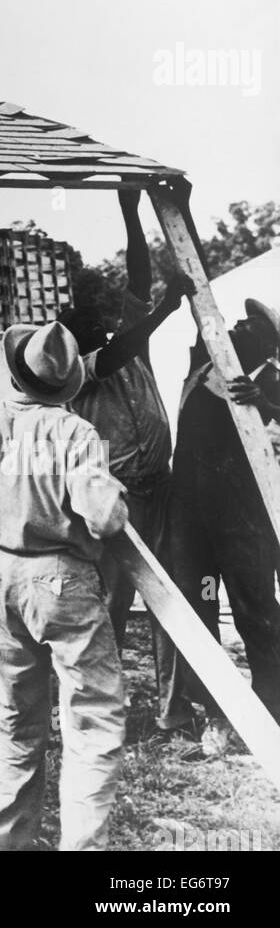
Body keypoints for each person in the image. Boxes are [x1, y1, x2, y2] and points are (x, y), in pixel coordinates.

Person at [0, 321, 128, 851]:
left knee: (17, 726)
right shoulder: (75, 433)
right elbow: (104, 519)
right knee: (92, 721)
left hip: (3, 577)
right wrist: (115, 489)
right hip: (63, 581)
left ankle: (4, 845)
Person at [58, 188, 195, 735]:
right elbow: (124, 341)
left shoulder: (123, 343)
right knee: (110, 608)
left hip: (157, 491)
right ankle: (95, 711)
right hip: (113, 501)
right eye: (90, 326)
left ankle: (173, 710)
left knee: (173, 601)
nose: (104, 327)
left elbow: (137, 279)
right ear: (75, 341)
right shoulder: (82, 369)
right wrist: (167, 306)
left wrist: (130, 211)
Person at [166, 297, 280, 755]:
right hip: (193, 522)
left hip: (243, 523)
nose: (236, 326)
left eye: (250, 327)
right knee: (199, 609)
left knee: (256, 611)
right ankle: (216, 714)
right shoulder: (202, 363)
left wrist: (268, 405)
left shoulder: (269, 382)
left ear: (266, 347)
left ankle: (270, 707)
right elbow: (201, 308)